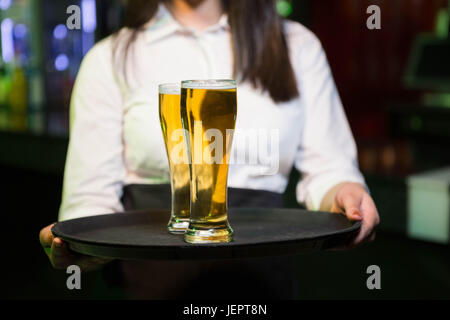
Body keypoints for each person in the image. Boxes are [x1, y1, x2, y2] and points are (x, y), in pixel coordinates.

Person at [39, 0, 379, 298]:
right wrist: (82, 247)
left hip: (262, 283)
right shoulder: (109, 58)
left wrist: (346, 193)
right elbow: (90, 200)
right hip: (154, 283)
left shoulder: (297, 46)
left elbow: (329, 168)